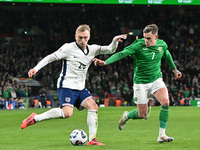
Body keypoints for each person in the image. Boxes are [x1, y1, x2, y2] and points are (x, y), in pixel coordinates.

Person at [20, 24, 126, 145]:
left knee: (93, 107)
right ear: (75, 36)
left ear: (89, 37)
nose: (82, 40)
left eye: (85, 38)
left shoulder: (93, 49)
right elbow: (50, 58)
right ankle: (34, 118)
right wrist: (36, 68)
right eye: (80, 37)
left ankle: (92, 140)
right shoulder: (68, 48)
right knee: (67, 113)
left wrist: (114, 41)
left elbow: (110, 49)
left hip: (80, 87)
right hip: (67, 85)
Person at [94, 24, 182, 143]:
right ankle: (127, 116)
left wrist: (174, 69)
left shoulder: (162, 44)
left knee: (166, 101)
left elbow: (166, 54)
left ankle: (162, 135)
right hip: (141, 83)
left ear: (156, 37)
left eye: (149, 38)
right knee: (142, 114)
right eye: (145, 38)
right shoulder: (138, 45)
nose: (146, 41)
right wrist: (106, 62)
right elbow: (122, 54)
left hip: (156, 79)